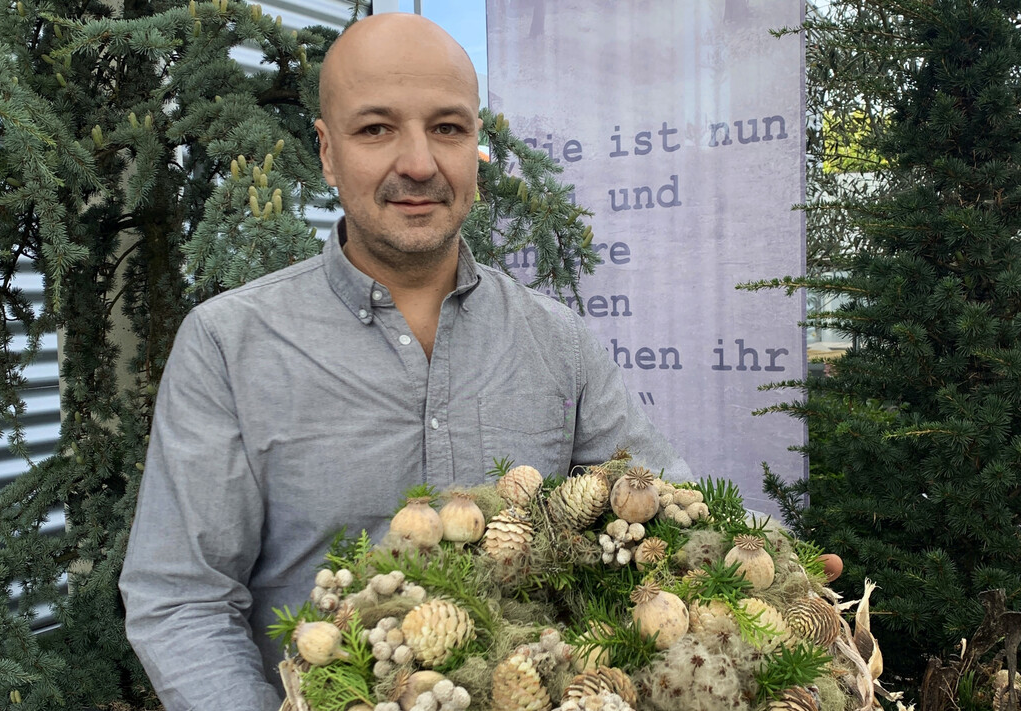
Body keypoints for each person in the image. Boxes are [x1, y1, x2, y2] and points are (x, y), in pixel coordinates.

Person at [119, 12, 690, 711]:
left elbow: (667, 517)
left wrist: (774, 583)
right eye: (376, 128)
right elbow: (182, 597)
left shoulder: (560, 343)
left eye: (447, 127)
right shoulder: (229, 345)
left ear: (476, 144)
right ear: (327, 152)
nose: (419, 163)